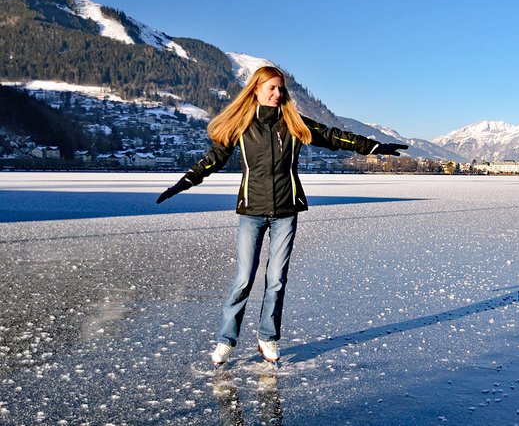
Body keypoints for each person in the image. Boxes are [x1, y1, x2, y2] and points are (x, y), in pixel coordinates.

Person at [156, 66, 407, 365]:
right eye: (272, 88)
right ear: (257, 89)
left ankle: (267, 337)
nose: (278, 94)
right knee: (243, 279)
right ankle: (226, 340)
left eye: (281, 89)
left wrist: (375, 146)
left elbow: (335, 137)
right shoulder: (242, 124)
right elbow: (213, 160)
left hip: (286, 210)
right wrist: (185, 182)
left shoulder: (293, 123)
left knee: (276, 279)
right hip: (251, 211)